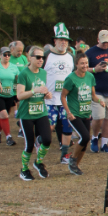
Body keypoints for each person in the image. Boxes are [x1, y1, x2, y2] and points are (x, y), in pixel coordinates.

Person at [62, 52, 102, 175]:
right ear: (76, 64)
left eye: (86, 63)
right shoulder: (71, 79)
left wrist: (100, 101)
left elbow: (93, 96)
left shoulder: (90, 77)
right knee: (85, 137)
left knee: (84, 142)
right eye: (82, 63)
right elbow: (63, 96)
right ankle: (72, 159)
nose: (85, 65)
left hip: (86, 113)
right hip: (74, 114)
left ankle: (75, 166)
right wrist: (68, 112)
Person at [16, 47, 52, 180]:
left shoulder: (43, 73)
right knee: (29, 144)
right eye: (37, 57)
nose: (40, 60)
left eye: (42, 57)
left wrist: (46, 94)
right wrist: (34, 90)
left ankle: (38, 162)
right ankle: (24, 169)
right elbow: (19, 96)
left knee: (47, 139)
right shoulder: (24, 74)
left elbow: (43, 90)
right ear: (30, 58)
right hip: (27, 114)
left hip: (41, 111)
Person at [44, 23, 76, 163]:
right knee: (50, 126)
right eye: (60, 39)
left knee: (67, 126)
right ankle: (40, 141)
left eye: (65, 40)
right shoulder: (46, 56)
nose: (63, 42)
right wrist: (43, 91)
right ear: (54, 41)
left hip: (65, 100)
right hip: (49, 99)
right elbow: (37, 74)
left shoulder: (70, 57)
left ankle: (64, 154)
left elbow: (74, 76)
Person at [85, 30, 108, 153]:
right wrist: (94, 69)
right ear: (98, 39)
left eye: (107, 42)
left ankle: (105, 143)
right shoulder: (90, 53)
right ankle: (95, 138)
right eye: (103, 41)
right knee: (98, 116)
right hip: (97, 91)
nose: (106, 44)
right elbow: (81, 69)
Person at [0, 46, 20, 146]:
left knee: (3, 116)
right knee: (4, 115)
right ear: (0, 55)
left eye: (9, 55)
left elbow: (19, 79)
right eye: (5, 54)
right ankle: (9, 137)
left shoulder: (14, 67)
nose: (7, 56)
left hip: (9, 95)